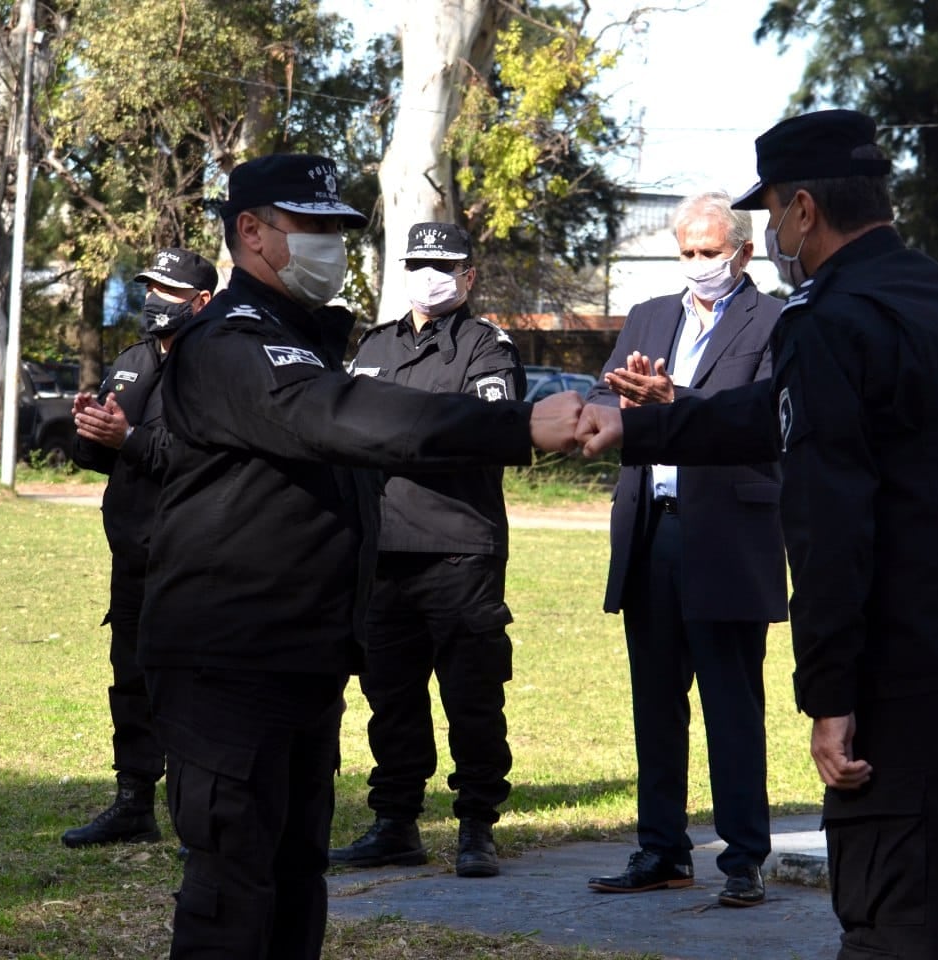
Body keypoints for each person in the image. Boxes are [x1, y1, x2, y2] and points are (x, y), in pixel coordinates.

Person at [576, 110, 938, 959]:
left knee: (900, 921)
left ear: (805, 210)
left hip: (913, 676)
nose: (772, 232)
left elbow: (828, 524)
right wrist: (645, 428)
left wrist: (829, 696)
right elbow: (777, 412)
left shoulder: (828, 321)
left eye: (773, 213)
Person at [135, 153, 583, 960]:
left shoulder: (300, 338)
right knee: (232, 891)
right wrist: (518, 427)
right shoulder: (230, 342)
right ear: (252, 232)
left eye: (341, 230)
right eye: (312, 228)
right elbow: (343, 416)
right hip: (226, 663)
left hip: (301, 658)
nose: (333, 245)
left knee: (295, 875)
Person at [583, 191, 786, 907]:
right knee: (655, 703)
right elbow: (602, 401)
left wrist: (677, 407)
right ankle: (662, 848)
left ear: (743, 251)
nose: (697, 264)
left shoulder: (777, 321)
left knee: (733, 703)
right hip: (653, 529)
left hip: (730, 531)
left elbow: (768, 422)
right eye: (687, 252)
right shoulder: (648, 316)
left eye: (709, 251)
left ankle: (744, 858)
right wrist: (624, 405)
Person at [329, 222, 525, 878]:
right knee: (391, 694)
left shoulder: (486, 346)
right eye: (419, 262)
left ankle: (476, 825)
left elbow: (488, 434)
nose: (431, 274)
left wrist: (393, 434)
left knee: (472, 691)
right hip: (382, 547)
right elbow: (342, 432)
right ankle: (395, 823)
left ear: (469, 276)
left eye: (445, 264)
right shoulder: (374, 346)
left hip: (458, 546)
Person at [63, 247, 217, 849]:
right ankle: (134, 802)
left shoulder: (218, 368)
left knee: (192, 685)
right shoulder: (131, 361)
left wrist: (128, 438)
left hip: (195, 554)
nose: (154, 301)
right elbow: (106, 458)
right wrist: (91, 431)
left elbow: (204, 462)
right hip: (132, 552)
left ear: (201, 303)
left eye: (169, 293)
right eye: (150, 287)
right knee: (130, 679)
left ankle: (198, 812)